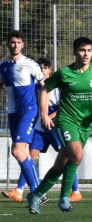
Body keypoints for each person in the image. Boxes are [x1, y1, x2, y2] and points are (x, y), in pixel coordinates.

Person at [27, 37, 92, 214]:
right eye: (82, 50)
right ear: (75, 52)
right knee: (77, 155)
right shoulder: (64, 73)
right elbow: (45, 90)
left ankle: (36, 195)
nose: (86, 54)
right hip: (65, 121)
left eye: (89, 50)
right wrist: (44, 115)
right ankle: (64, 198)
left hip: (85, 125)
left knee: (61, 164)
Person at [4, 58, 82, 204]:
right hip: (39, 127)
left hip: (53, 126)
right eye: (40, 68)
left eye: (45, 68)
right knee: (28, 156)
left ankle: (76, 191)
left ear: (50, 70)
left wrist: (49, 117)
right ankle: (19, 190)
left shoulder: (56, 87)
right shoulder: (34, 86)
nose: (42, 70)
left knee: (66, 157)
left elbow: (62, 107)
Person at [0, 31, 45, 203]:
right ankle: (38, 192)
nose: (15, 45)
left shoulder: (30, 64)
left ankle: (36, 191)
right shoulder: (3, 66)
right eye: (12, 42)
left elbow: (44, 87)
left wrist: (44, 110)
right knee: (24, 153)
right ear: (8, 44)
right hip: (13, 114)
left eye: (18, 42)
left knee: (17, 151)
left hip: (29, 110)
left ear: (23, 44)